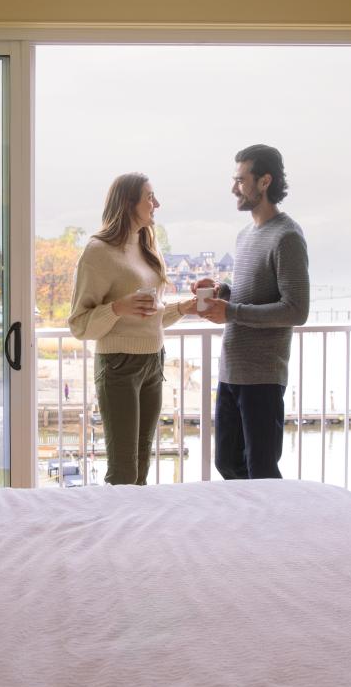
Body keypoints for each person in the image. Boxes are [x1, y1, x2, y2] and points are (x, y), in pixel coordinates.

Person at [68, 173, 197, 485]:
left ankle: (136, 531)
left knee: (142, 463)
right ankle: (115, 531)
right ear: (128, 203)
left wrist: (184, 307)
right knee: (124, 468)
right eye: (149, 197)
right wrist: (117, 307)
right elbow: (79, 325)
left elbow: (150, 316)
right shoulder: (98, 252)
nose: (157, 204)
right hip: (119, 366)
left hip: (154, 362)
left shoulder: (147, 246)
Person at [195, 144, 309, 480]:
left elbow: (296, 309)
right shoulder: (245, 235)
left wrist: (230, 311)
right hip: (231, 371)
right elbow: (250, 294)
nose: (234, 188)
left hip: (262, 376)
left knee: (261, 473)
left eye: (240, 179)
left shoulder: (287, 236)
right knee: (227, 464)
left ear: (264, 181)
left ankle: (275, 533)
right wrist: (221, 294)